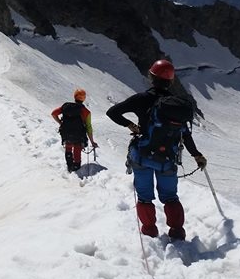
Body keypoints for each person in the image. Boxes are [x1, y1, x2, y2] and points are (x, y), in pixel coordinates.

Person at [106, 59, 206, 240]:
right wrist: (197, 155)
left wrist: (129, 124)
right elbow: (185, 133)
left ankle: (149, 231)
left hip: (142, 156)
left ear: (151, 77)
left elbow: (112, 112)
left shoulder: (141, 99)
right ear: (171, 81)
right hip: (167, 159)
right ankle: (177, 232)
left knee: (144, 197)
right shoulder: (176, 106)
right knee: (170, 197)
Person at [51, 88, 98, 172]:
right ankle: (77, 168)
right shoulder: (86, 112)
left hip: (66, 134)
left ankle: (69, 166)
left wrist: (60, 123)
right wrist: (92, 141)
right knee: (77, 149)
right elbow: (88, 127)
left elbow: (53, 113)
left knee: (68, 148)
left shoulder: (66, 107)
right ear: (83, 98)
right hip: (79, 136)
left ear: (75, 96)